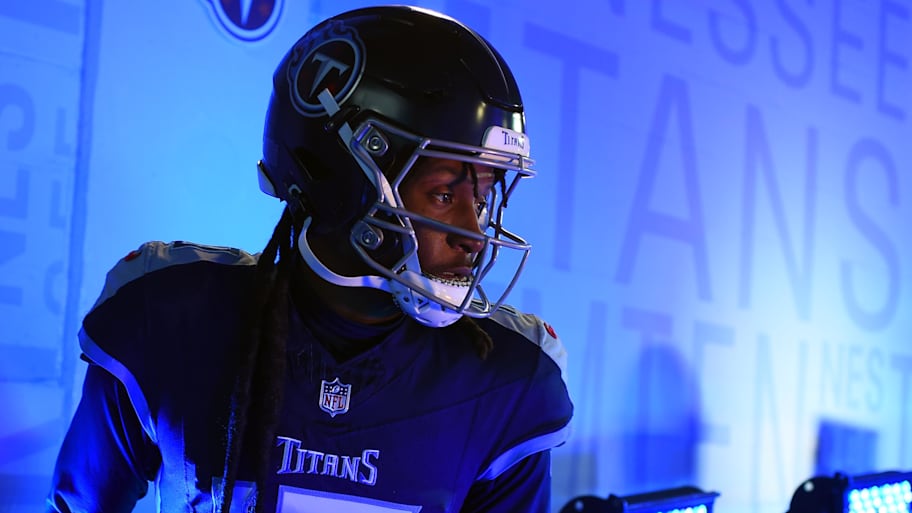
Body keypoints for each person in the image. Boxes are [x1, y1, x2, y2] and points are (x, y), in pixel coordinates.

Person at [47, 5, 573, 513]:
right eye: (443, 195)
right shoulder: (170, 316)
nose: (475, 234)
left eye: (480, 198)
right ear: (342, 177)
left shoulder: (508, 379)